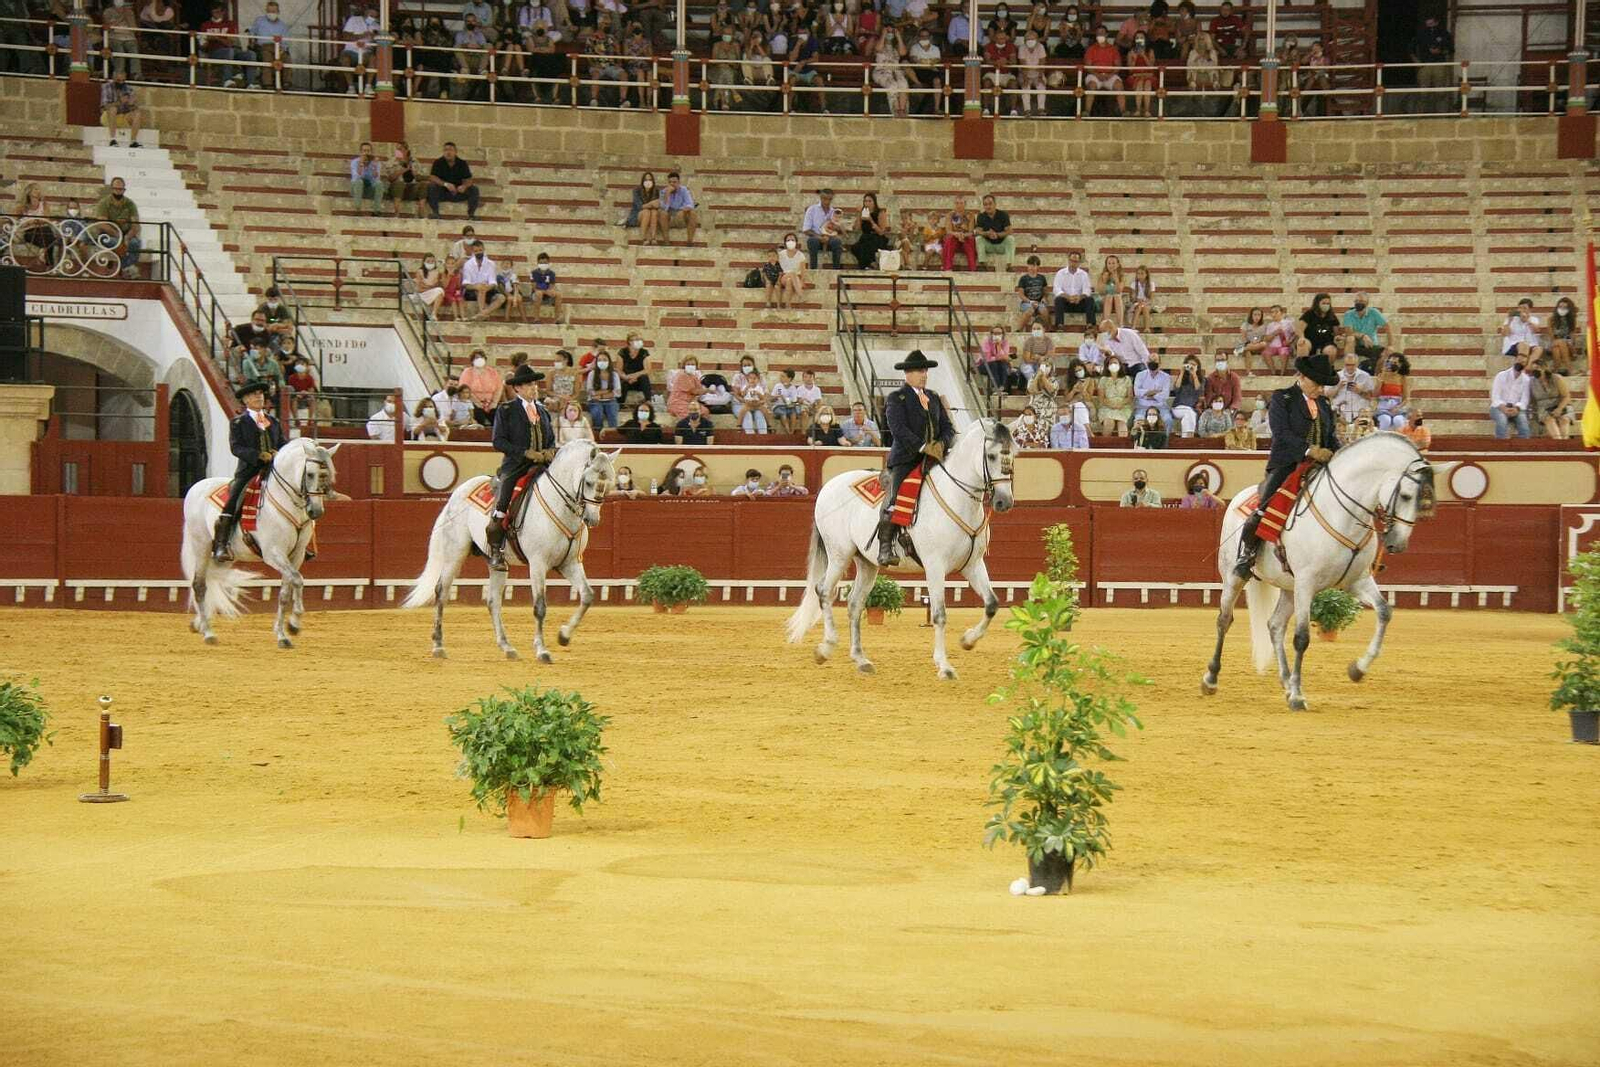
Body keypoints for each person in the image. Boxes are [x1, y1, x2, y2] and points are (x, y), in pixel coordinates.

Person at [1234, 348, 1341, 577]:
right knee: (1264, 507)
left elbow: (1331, 436)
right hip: (1287, 464)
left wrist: (1340, 453)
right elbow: (1281, 434)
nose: (1321, 389)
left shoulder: (1324, 404)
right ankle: (1248, 554)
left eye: (1323, 385)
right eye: (1317, 383)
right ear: (1302, 377)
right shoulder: (1282, 398)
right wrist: (1310, 450)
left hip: (1319, 466)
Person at [875, 351, 954, 565]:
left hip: (934, 458)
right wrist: (923, 447)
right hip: (906, 459)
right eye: (920, 370)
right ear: (907, 374)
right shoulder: (896, 398)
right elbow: (897, 429)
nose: (924, 374)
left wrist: (941, 444)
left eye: (925, 370)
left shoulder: (934, 397)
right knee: (894, 498)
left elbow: (948, 427)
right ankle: (885, 547)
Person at [486, 364, 556, 570]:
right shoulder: (506, 410)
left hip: (543, 464)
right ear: (517, 388)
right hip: (515, 466)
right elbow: (498, 442)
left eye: (534, 383)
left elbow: (551, 439)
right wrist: (525, 452)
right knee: (503, 501)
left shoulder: (543, 412)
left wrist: (549, 452)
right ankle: (496, 550)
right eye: (527, 384)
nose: (533, 387)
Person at [211, 379, 284, 562]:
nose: (258, 396)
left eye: (260, 393)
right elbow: (236, 448)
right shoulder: (238, 423)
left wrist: (279, 452)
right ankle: (221, 544)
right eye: (253, 394)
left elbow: (283, 443)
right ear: (245, 400)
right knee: (235, 499)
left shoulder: (273, 421)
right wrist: (259, 455)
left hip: (273, 470)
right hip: (249, 471)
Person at [427, 142, 479, 220]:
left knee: (474, 189)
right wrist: (445, 184)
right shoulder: (438, 162)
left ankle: (471, 215)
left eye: (450, 150)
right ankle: (435, 213)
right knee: (432, 187)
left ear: (455, 152)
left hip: (458, 192)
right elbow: (432, 177)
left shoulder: (462, 163)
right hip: (443, 192)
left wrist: (464, 186)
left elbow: (469, 180)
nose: (448, 152)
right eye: (445, 150)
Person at [801, 188, 844, 270]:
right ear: (821, 198)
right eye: (825, 199)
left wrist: (837, 228)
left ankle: (836, 270)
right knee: (812, 241)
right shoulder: (812, 210)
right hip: (816, 238)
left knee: (837, 242)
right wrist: (819, 237)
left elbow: (839, 229)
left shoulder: (834, 212)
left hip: (830, 238)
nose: (827, 202)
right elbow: (806, 230)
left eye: (829, 199)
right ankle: (813, 269)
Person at [1489, 359, 1531, 439]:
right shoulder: (1501, 375)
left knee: (1523, 422)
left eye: (1523, 361)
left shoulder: (1526, 379)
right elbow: (1495, 396)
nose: (1520, 362)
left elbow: (1525, 400)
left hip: (1517, 408)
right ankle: (1501, 444)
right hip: (1498, 407)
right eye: (1519, 359)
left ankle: (1525, 446)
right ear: (1515, 361)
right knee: (1502, 419)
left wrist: (1517, 408)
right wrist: (1503, 408)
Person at [1529, 360, 1572, 440]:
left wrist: (1559, 409)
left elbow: (1566, 396)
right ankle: (1558, 441)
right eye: (1533, 369)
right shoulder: (1531, 382)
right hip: (1543, 407)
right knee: (1549, 419)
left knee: (1564, 419)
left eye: (1537, 368)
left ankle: (1565, 441)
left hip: (1560, 404)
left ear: (1544, 368)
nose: (1535, 371)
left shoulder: (1556, 378)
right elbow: (1532, 400)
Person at [1051, 251, 1095, 327]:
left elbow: (1087, 290)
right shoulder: (1060, 273)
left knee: (1090, 300)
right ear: (1068, 260)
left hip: (1079, 302)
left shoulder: (1083, 274)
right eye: (1071, 261)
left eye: (1075, 261)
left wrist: (1079, 297)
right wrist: (1068, 297)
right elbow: (1056, 289)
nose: (1073, 263)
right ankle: (1059, 324)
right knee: (1058, 299)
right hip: (1066, 302)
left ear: (1079, 263)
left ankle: (1090, 324)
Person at [100, 73, 142, 148]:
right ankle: (112, 139)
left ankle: (133, 141)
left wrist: (131, 104)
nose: (121, 83)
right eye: (118, 80)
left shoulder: (128, 88)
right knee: (113, 109)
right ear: (114, 79)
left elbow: (133, 108)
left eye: (123, 80)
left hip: (123, 117)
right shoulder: (106, 87)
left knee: (137, 113)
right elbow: (105, 106)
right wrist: (120, 101)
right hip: (108, 117)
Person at [658, 170, 700, 246]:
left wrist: (682, 210)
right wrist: (667, 194)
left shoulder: (684, 190)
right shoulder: (663, 192)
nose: (672, 184)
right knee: (662, 213)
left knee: (692, 213)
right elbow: (663, 208)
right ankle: (666, 242)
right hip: (669, 215)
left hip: (681, 214)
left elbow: (690, 204)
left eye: (674, 182)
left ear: (678, 182)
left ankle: (690, 242)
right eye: (670, 182)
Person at [1500, 298, 1544, 363]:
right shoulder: (1511, 319)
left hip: (1530, 345)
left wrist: (1527, 321)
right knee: (1523, 344)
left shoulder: (1534, 319)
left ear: (1530, 309)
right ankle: (1523, 365)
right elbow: (1504, 334)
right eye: (1520, 308)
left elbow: (1536, 330)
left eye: (1524, 308)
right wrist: (1509, 321)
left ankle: (1528, 367)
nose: (1521, 310)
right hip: (1513, 345)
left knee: (1539, 349)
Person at [349, 141, 386, 216]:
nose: (366, 153)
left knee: (380, 184)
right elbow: (356, 177)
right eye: (364, 151)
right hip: (356, 188)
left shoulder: (375, 163)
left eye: (368, 151)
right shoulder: (355, 162)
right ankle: (357, 209)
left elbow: (376, 179)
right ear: (361, 152)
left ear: (371, 152)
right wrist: (361, 164)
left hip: (368, 189)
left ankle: (376, 211)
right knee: (359, 182)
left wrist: (375, 167)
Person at [528, 252, 565, 322]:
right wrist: (545, 291)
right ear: (538, 263)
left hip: (547, 294)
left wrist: (550, 291)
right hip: (536, 295)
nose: (543, 264)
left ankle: (557, 319)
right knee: (539, 293)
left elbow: (551, 286)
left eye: (545, 262)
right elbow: (534, 287)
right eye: (541, 263)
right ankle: (536, 319)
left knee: (558, 294)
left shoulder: (552, 273)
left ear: (548, 262)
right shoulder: (534, 273)